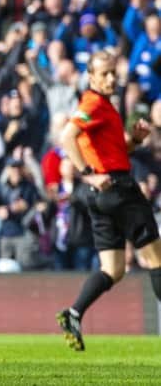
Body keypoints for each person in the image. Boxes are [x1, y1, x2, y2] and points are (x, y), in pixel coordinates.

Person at [56, 50, 161, 351]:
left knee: (113, 269)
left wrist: (135, 141)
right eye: (104, 73)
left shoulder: (105, 107)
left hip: (99, 196)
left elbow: (113, 152)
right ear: (91, 77)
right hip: (117, 188)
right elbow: (67, 136)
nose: (111, 78)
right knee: (156, 259)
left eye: (113, 72)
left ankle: (74, 313)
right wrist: (87, 174)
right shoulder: (93, 103)